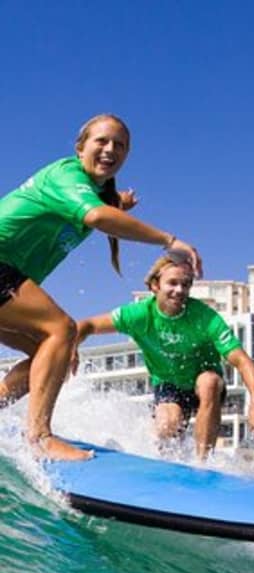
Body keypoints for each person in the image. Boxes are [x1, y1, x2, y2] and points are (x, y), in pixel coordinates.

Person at [0, 114, 202, 461]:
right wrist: (168, 240)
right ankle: (40, 437)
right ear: (80, 148)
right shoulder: (66, 175)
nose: (111, 149)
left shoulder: (95, 191)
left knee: (53, 356)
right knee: (61, 330)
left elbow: (106, 208)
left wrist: (119, 202)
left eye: (120, 145)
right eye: (102, 141)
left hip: (7, 276)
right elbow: (96, 216)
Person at [74, 252, 254, 459]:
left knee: (209, 382)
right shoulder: (139, 315)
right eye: (173, 283)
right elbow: (86, 325)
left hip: (203, 381)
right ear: (155, 285)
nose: (179, 290)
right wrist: (72, 348)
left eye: (185, 285)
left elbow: (242, 360)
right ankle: (167, 462)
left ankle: (203, 463)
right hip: (169, 383)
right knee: (168, 425)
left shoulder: (204, 317)